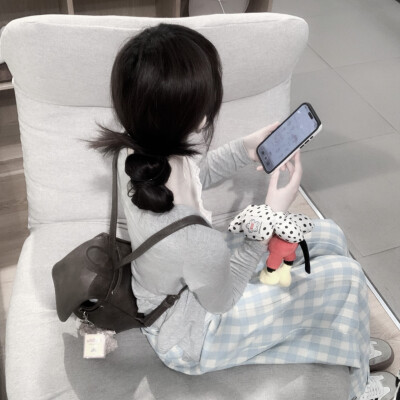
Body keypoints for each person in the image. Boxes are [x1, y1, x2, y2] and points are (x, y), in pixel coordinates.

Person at [90, 23, 372, 400]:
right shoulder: (194, 239)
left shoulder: (137, 153)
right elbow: (223, 299)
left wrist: (244, 149)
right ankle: (360, 387)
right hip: (192, 335)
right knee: (347, 277)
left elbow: (194, 176)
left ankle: (349, 334)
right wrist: (269, 216)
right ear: (198, 117)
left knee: (329, 235)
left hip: (186, 278)